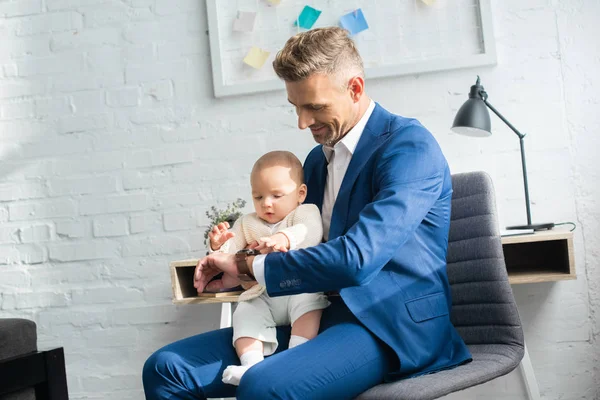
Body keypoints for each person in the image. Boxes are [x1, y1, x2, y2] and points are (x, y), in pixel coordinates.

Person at [143, 27, 471, 400]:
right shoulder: (317, 161)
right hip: (313, 312)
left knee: (263, 385)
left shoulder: (410, 147)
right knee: (166, 368)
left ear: (355, 89)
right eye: (295, 107)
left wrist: (248, 266)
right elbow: (294, 241)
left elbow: (356, 259)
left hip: (388, 324)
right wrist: (236, 269)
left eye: (314, 106)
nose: (302, 122)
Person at [203, 150, 328, 386]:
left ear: (300, 193)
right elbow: (231, 250)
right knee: (244, 313)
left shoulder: (304, 212)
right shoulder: (247, 223)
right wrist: (219, 246)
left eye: (276, 195)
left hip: (298, 288)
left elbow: (310, 231)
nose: (266, 203)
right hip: (262, 293)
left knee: (310, 304)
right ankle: (251, 366)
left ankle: (297, 359)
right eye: (258, 197)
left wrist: (285, 237)